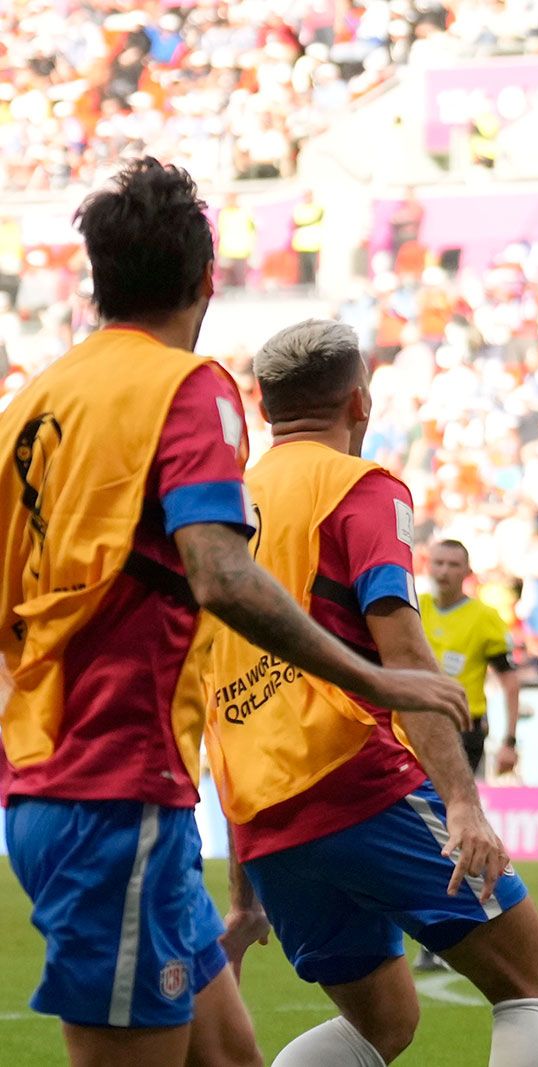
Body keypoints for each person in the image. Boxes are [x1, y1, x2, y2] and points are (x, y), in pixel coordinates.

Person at [0, 158, 465, 1067]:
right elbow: (219, 573)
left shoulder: (31, 406)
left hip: (79, 785)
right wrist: (374, 675)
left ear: (97, 277)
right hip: (112, 789)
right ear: (207, 279)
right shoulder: (188, 387)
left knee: (229, 1059)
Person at [209, 318, 538, 1065]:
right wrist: (464, 803)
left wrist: (243, 894)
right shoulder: (361, 488)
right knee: (535, 980)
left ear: (265, 409)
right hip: (357, 782)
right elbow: (404, 651)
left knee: (384, 1019)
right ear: (360, 403)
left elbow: (223, 693)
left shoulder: (225, 506)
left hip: (264, 816)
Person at [421, 540, 523, 780]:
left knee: (451, 806)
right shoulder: (414, 607)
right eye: (439, 563)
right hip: (415, 722)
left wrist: (510, 742)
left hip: (462, 728)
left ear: (467, 572)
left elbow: (510, 683)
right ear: (428, 566)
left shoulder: (484, 618)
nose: (444, 571)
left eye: (453, 564)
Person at [291, 190, 324, 287]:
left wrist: (304, 220)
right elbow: (297, 219)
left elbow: (313, 218)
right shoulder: (299, 208)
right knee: (302, 271)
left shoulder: (317, 207)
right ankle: (302, 291)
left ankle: (312, 289)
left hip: (313, 244)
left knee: (313, 270)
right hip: (301, 245)